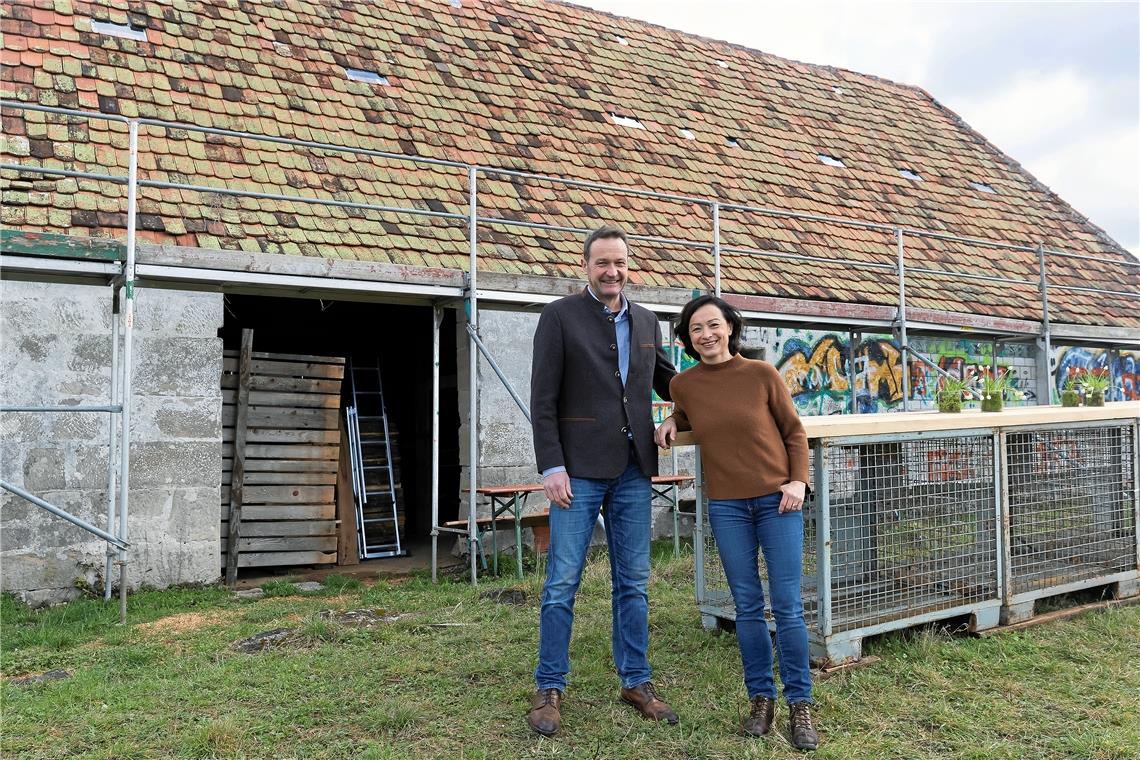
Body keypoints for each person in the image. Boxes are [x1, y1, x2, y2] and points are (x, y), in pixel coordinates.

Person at [527, 224, 678, 737]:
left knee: (632, 583)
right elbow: (542, 399)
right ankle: (549, 686)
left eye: (619, 263)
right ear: (585, 266)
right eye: (601, 264)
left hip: (635, 469)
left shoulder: (647, 320)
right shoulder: (559, 317)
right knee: (561, 584)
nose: (611, 272)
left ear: (628, 266)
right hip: (576, 472)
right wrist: (551, 466)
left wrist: (684, 413)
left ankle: (636, 680)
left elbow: (671, 380)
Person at [654, 295, 819, 751]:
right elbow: (691, 416)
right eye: (696, 330)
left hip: (777, 500)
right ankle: (760, 700)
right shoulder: (683, 385)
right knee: (746, 605)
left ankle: (800, 704)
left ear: (730, 327)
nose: (706, 335)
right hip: (727, 507)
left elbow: (794, 432)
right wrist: (671, 419)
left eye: (714, 325)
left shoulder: (762, 374)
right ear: (687, 339)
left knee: (786, 605)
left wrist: (798, 482)